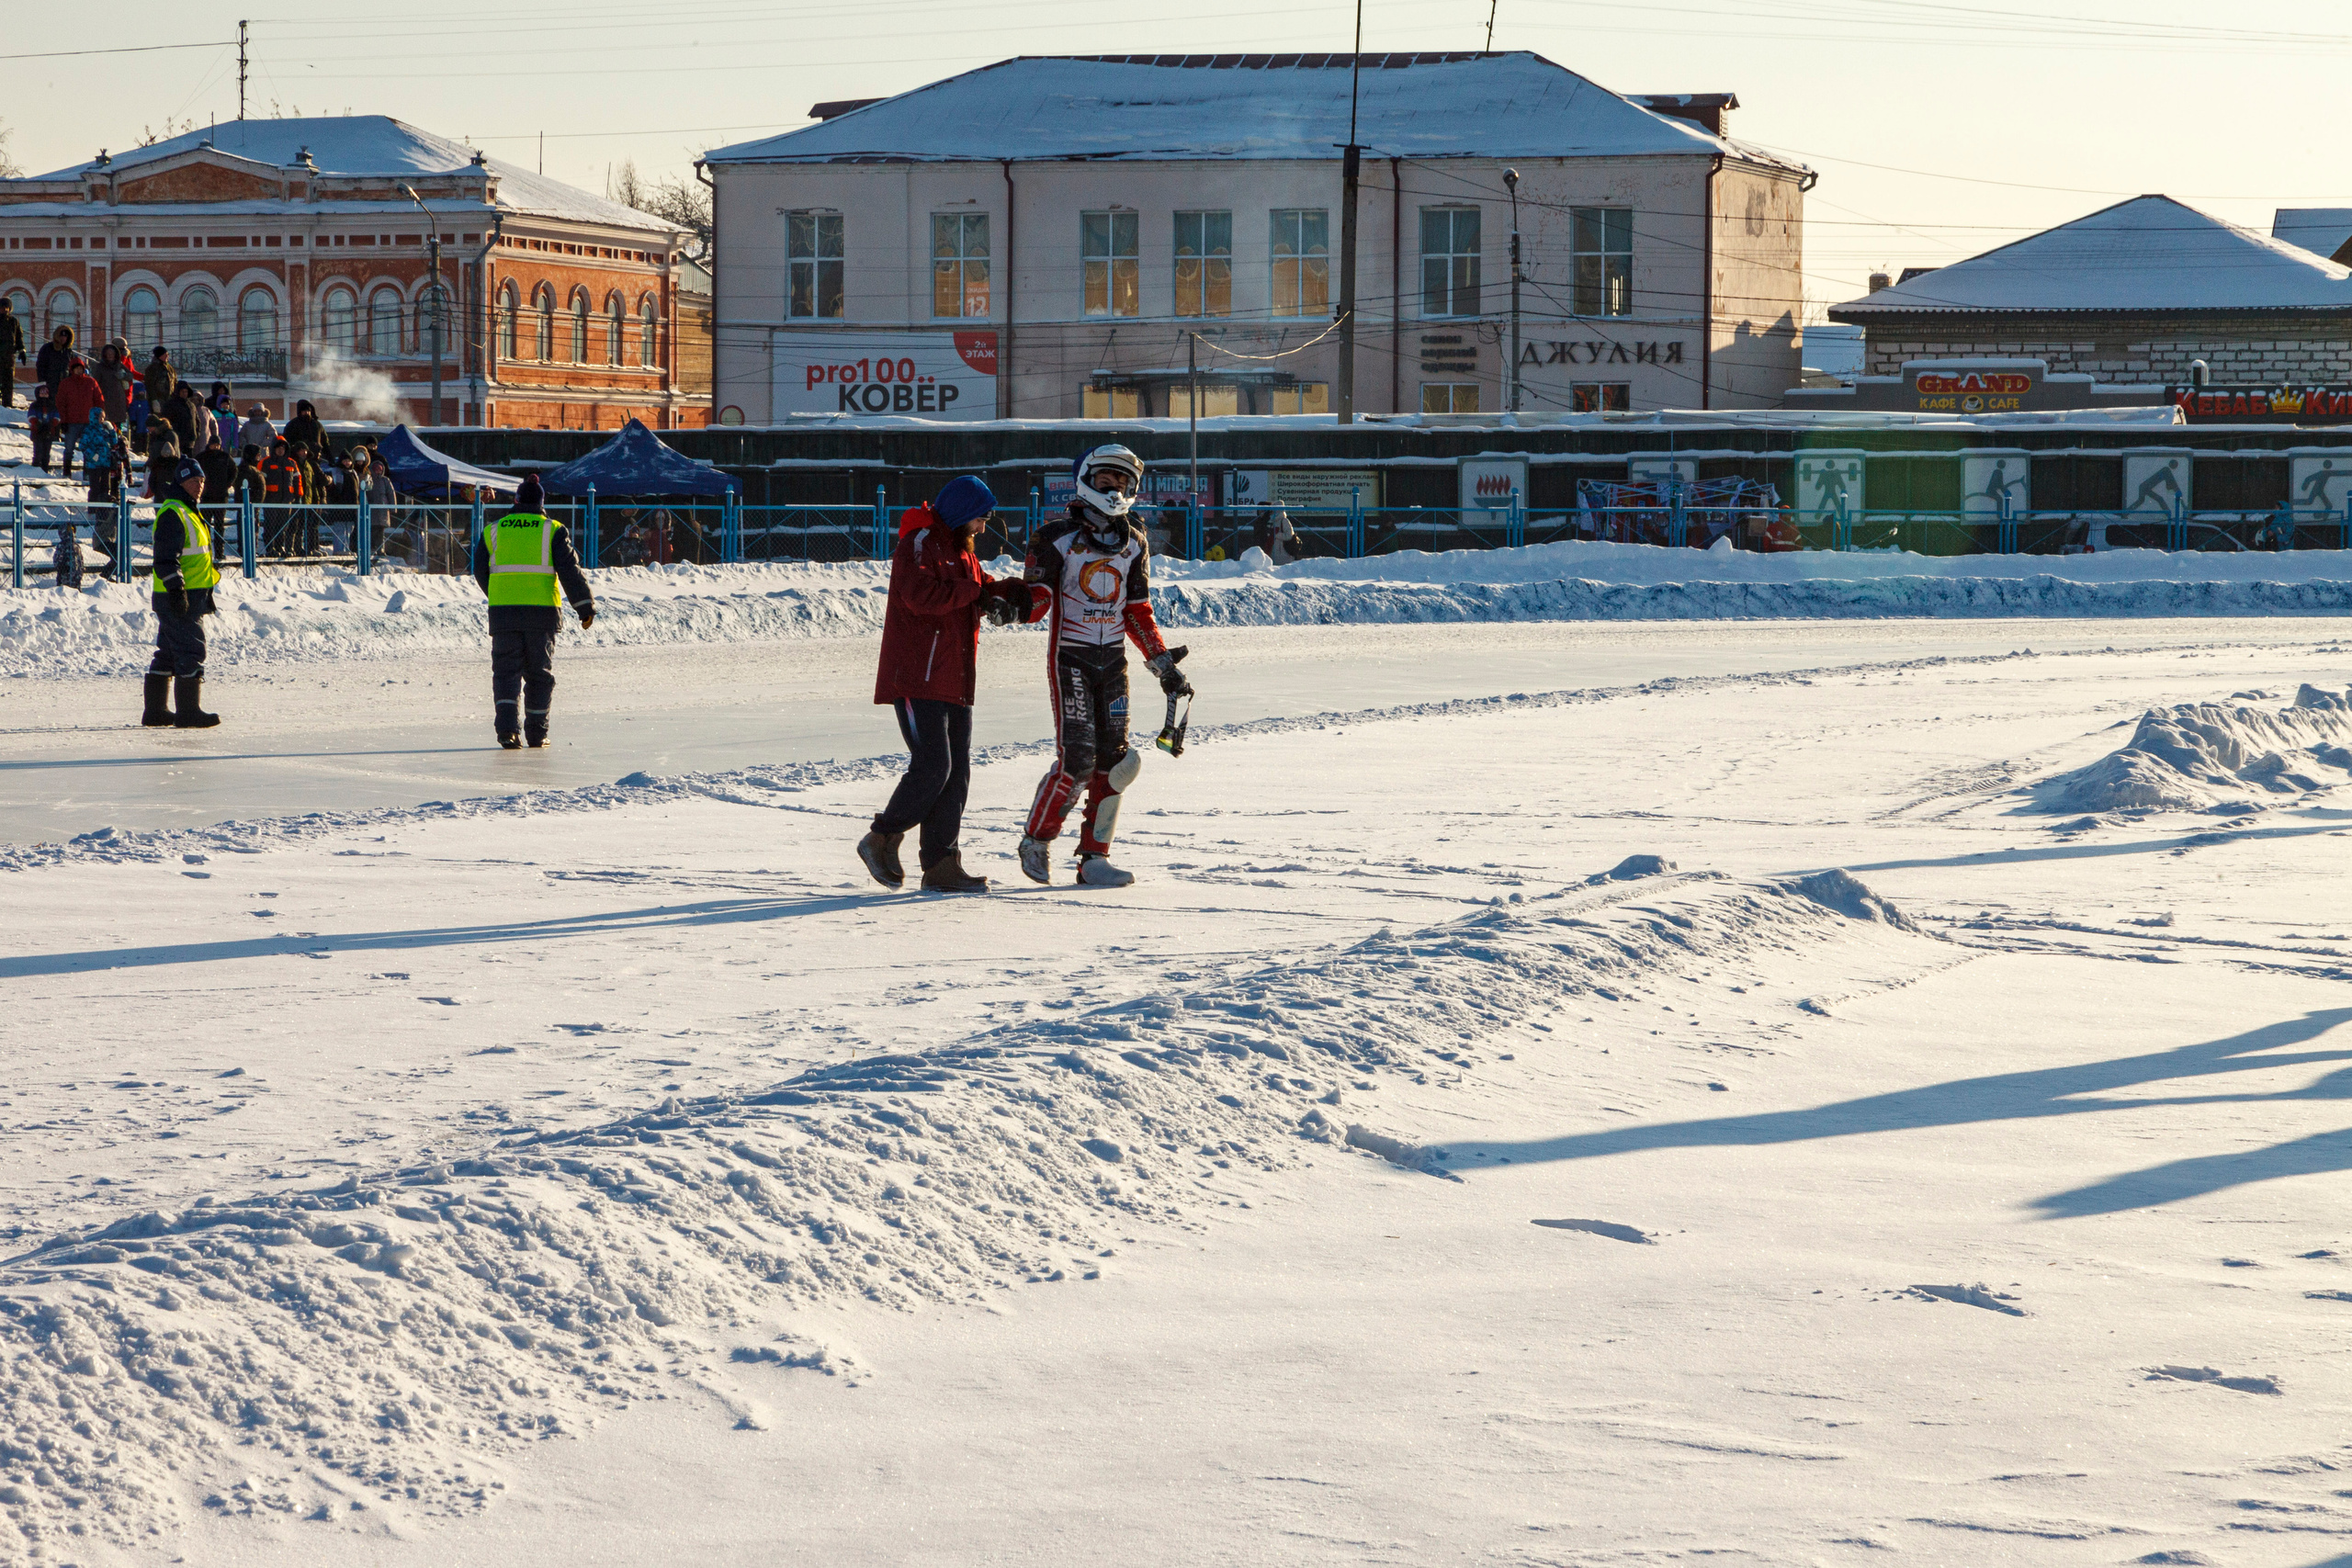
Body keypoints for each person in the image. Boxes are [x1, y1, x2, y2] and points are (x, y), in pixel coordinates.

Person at [1013, 444, 1193, 888]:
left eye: (1124, 484)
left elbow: (1137, 608)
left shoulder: (1135, 540)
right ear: (1085, 481)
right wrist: (1010, 605)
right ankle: (1037, 839)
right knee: (1076, 759)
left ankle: (1094, 858)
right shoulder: (1052, 536)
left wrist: (1162, 664)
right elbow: (1039, 600)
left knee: (1116, 763)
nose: (1115, 491)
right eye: (1105, 482)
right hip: (1070, 658)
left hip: (1113, 662)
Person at [857, 475, 1016, 895]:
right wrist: (973, 590)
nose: (983, 528)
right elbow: (919, 596)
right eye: (980, 519)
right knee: (934, 767)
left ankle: (942, 863)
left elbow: (975, 591)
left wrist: (1013, 593)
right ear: (963, 513)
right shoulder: (921, 542)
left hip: (956, 678)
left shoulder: (964, 554)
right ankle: (882, 837)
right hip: (916, 676)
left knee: (957, 773)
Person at [469, 475, 594, 749]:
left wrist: (499, 593)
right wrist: (584, 606)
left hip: (504, 614)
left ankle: (507, 732)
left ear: (515, 500)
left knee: (505, 674)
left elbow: (479, 570)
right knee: (539, 674)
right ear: (541, 503)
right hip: (542, 614)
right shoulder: (553, 530)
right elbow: (569, 571)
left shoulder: (494, 530)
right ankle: (537, 734)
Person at [142, 457, 221, 729]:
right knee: (191, 649)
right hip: (179, 596)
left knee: (167, 651)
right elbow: (165, 557)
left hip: (188, 595)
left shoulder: (188, 510)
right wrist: (177, 589)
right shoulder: (174, 513)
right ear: (181, 482)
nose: (199, 486)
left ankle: (156, 711)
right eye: (192, 481)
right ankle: (188, 712)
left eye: (201, 481)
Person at [57, 356, 101, 479]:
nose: (79, 371)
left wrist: (98, 417)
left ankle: (87, 472)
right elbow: (61, 403)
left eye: (80, 368)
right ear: (72, 370)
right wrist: (63, 421)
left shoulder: (91, 382)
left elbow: (99, 400)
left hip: (88, 422)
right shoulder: (66, 383)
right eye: (76, 368)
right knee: (69, 448)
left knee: (88, 449)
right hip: (71, 421)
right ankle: (67, 471)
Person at [95, 340, 133, 430]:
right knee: (106, 425)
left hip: (119, 400)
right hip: (106, 400)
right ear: (105, 355)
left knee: (118, 427)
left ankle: (118, 442)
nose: (110, 355)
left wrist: (124, 375)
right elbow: (95, 383)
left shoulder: (119, 365)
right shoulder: (100, 367)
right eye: (108, 354)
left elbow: (130, 375)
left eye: (112, 353)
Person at [34, 326, 74, 402]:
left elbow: (70, 368)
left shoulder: (68, 351)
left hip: (64, 384)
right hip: (50, 384)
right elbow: (40, 366)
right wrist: (42, 383)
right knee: (51, 406)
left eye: (65, 336)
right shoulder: (47, 348)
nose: (63, 338)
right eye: (61, 336)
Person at [26, 386, 61, 472]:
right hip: (37, 432)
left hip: (49, 431)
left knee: (46, 453)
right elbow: (31, 416)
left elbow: (57, 417)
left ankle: (45, 469)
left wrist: (51, 424)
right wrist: (38, 424)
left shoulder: (53, 406)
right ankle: (36, 468)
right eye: (42, 393)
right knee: (38, 452)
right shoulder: (34, 405)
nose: (44, 395)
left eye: (46, 393)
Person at [0, 297, 24, 409]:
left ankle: (7, 405)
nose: (5, 310)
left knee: (8, 383)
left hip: (9, 358)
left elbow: (19, 338)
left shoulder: (13, 322)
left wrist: (22, 350)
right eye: (3, 307)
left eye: (7, 308)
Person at [142, 345, 177, 418]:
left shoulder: (170, 368)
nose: (167, 356)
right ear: (160, 355)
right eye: (165, 354)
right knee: (159, 422)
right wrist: (154, 400)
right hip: (158, 401)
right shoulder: (152, 369)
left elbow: (175, 382)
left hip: (169, 401)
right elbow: (149, 385)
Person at [51, 517, 83, 589]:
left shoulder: (61, 546)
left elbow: (56, 561)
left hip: (64, 580)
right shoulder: (77, 547)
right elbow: (81, 563)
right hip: (76, 580)